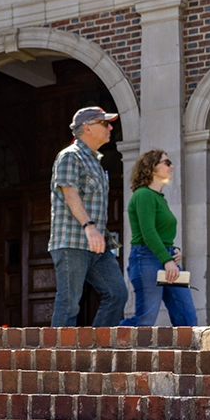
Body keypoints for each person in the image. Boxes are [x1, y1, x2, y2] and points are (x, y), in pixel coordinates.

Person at [49, 106, 130, 327]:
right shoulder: (69, 157)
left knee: (117, 293)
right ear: (87, 128)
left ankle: (97, 349)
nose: (110, 127)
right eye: (104, 123)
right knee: (69, 304)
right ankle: (59, 357)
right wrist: (89, 225)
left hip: (96, 245)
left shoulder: (95, 161)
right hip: (72, 242)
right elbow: (70, 194)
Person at [121, 149, 197, 327]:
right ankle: (108, 344)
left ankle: (185, 354)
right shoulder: (143, 195)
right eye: (167, 162)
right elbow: (148, 233)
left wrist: (174, 251)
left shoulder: (159, 198)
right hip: (146, 258)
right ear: (152, 168)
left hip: (166, 257)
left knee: (187, 317)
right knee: (145, 318)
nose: (172, 166)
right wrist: (167, 260)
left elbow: (160, 234)